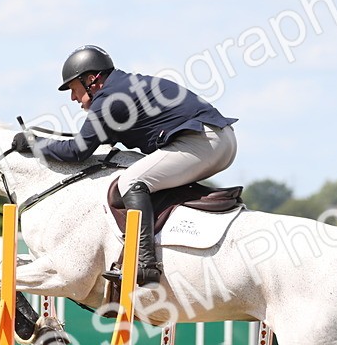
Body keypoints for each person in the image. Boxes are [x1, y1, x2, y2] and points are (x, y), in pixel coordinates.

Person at [13, 45, 238, 286]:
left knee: (131, 181)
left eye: (73, 88)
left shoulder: (108, 99)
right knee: (146, 176)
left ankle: (145, 264)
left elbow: (77, 151)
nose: (73, 97)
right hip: (215, 138)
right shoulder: (120, 88)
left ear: (92, 80)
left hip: (203, 141)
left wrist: (34, 144)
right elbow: (93, 141)